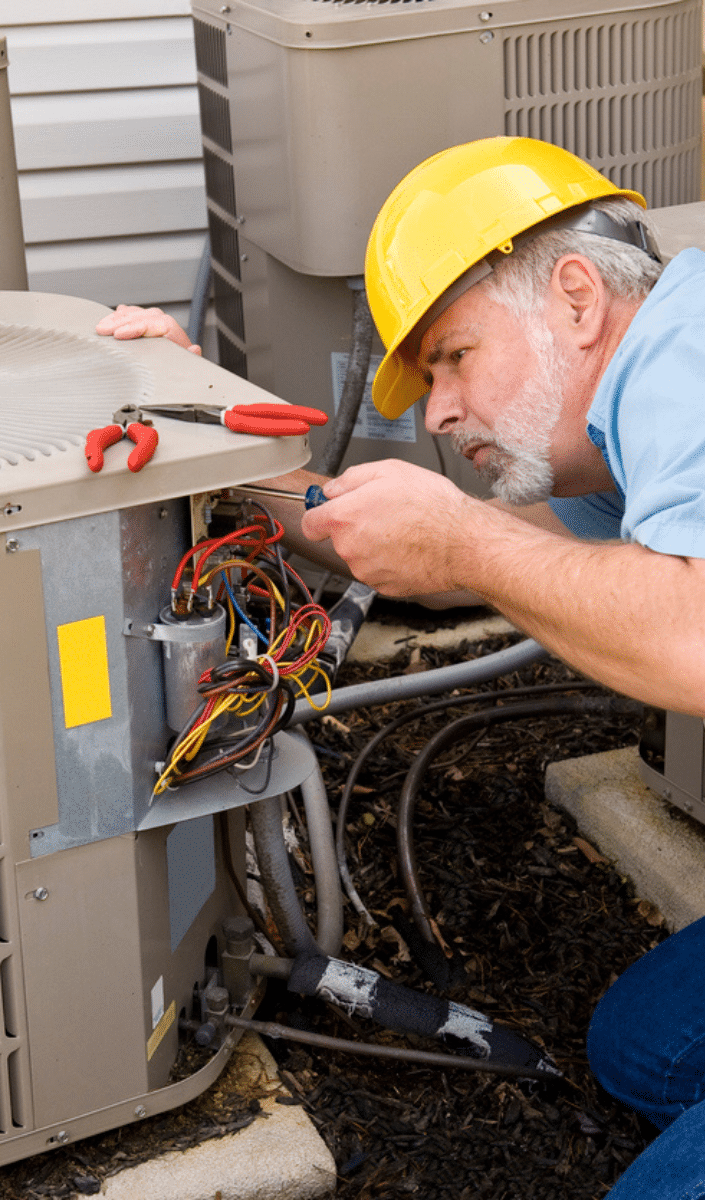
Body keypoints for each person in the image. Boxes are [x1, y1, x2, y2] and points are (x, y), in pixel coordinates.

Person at [98, 136, 705, 1198]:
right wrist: (208, 431)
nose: (436, 413)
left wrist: (468, 542)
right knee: (645, 1052)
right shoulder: (612, 429)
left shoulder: (686, 359)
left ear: (573, 296)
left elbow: (690, 638)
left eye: (453, 357)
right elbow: (459, 566)